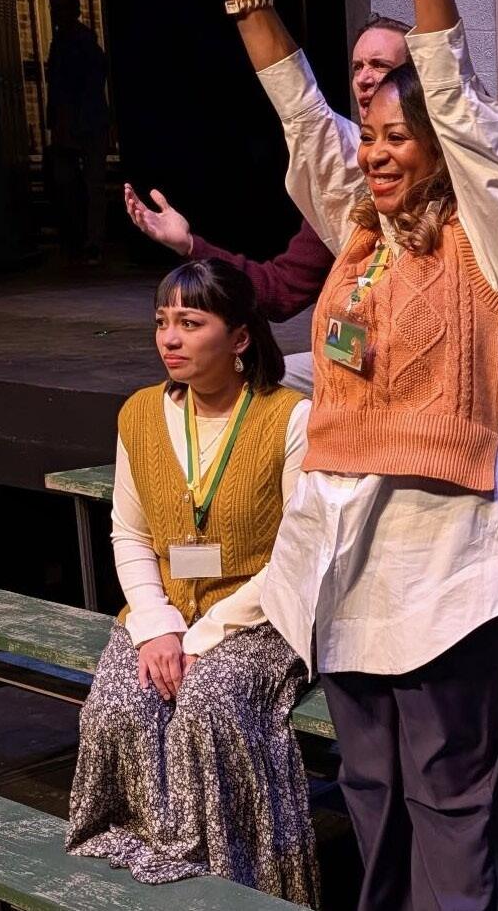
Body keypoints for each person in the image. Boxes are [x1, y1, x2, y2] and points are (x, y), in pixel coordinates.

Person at [189, 0, 498, 907]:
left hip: (442, 567)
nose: (375, 153)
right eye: (372, 138)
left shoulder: (493, 248)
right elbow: (304, 115)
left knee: (446, 794)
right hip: (345, 558)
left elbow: (474, 130)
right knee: (373, 790)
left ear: (440, 148)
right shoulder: (358, 235)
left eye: (398, 138)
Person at [124, 13, 498, 431]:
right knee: (248, 379)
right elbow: (280, 290)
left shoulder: (475, 179)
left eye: (381, 67)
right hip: (364, 354)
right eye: (358, 67)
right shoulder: (357, 191)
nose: (366, 80)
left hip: (461, 380)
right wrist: (191, 245)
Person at [66, 259, 317, 901]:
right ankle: (146, 871)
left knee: (208, 706)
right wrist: (156, 627)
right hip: (167, 613)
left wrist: (204, 635)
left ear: (239, 338)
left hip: (258, 617)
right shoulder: (139, 414)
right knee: (120, 704)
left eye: (190, 322)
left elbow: (296, 556)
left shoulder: (289, 417)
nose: (169, 339)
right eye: (162, 322)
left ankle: (239, 879)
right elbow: (130, 534)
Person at [45, 0, 111, 264]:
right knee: (73, 183)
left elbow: (86, 84)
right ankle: (81, 239)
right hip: (74, 123)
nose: (56, 15)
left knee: (90, 184)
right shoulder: (63, 42)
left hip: (86, 122)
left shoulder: (81, 42)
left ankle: (91, 241)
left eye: (61, 8)